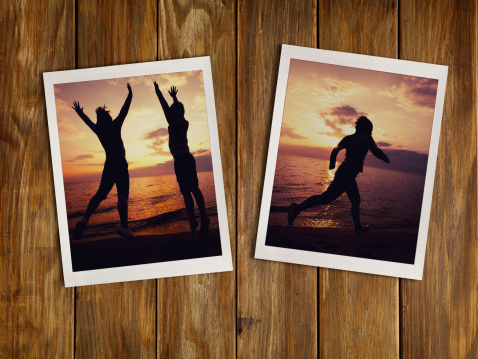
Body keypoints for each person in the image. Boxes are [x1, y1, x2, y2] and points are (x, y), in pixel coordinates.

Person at [287, 116, 390, 236]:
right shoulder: (366, 138)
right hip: (347, 174)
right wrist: (386, 158)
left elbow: (335, 149)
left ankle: (297, 208)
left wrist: (332, 163)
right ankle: (296, 208)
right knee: (349, 200)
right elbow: (375, 150)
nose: (372, 132)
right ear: (366, 128)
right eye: (371, 129)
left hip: (344, 172)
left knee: (329, 199)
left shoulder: (349, 138)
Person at [71, 83, 136, 241]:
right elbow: (124, 110)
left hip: (108, 165)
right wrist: (130, 95)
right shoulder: (115, 125)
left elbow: (88, 122)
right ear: (109, 117)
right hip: (120, 163)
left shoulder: (99, 130)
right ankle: (124, 227)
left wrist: (80, 112)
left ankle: (84, 219)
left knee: (100, 194)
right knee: (122, 194)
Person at [153, 82, 210, 238]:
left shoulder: (174, 122)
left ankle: (193, 220)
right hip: (188, 158)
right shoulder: (185, 123)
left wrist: (158, 92)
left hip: (180, 160)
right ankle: (203, 217)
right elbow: (177, 110)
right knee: (195, 189)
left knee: (186, 192)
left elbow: (165, 107)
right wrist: (175, 98)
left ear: (173, 113)